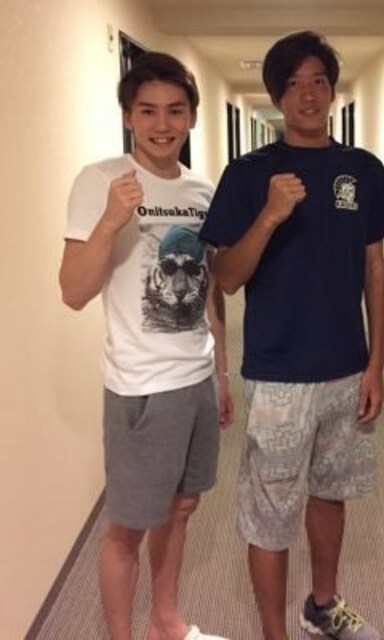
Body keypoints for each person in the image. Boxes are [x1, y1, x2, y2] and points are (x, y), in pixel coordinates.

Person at [199, 31, 384, 640]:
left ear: (332, 90)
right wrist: (269, 215)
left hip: (347, 367)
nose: (307, 94)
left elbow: (374, 267)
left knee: (331, 491)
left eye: (318, 81)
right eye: (292, 84)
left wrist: (376, 363)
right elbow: (226, 278)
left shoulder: (363, 169)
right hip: (278, 373)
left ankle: (323, 604)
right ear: (276, 96)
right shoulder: (248, 174)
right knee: (270, 511)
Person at [59, 52, 233, 640]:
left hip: (196, 379)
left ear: (192, 117)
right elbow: (73, 292)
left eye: (175, 111)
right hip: (140, 386)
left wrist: (222, 375)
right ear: (128, 116)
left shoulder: (201, 191)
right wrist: (112, 219)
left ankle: (166, 620)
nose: (163, 124)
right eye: (148, 111)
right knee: (128, 528)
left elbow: (210, 292)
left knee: (182, 508)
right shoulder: (100, 181)